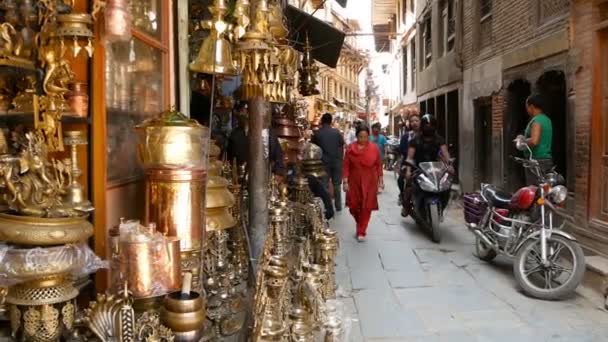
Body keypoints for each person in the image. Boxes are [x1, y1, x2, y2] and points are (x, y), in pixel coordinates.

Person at [402, 114, 452, 217]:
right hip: (418, 168)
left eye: (431, 125)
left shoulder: (439, 139)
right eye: (426, 125)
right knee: (409, 185)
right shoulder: (415, 140)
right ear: (422, 126)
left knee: (446, 188)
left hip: (436, 169)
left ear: (434, 126)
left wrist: (450, 166)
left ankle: (440, 209)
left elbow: (446, 154)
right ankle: (406, 205)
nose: (428, 128)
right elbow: (410, 158)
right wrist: (408, 170)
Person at [343, 125, 383, 241]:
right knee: (353, 206)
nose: (363, 139)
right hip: (354, 180)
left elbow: (378, 165)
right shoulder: (350, 148)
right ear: (357, 136)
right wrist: (345, 181)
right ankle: (359, 222)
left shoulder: (374, 148)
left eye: (365, 137)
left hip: (370, 180)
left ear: (368, 136)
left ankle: (362, 231)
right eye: (360, 136)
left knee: (367, 206)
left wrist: (380, 181)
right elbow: (346, 165)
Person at [312, 113, 345, 211]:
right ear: (331, 121)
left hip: (323, 163)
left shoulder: (317, 133)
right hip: (336, 161)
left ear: (322, 121)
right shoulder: (337, 132)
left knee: (325, 184)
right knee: (337, 184)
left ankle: (328, 206)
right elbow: (341, 146)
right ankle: (338, 206)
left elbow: (313, 149)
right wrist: (340, 159)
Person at [519, 93, 553, 185]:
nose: (527, 110)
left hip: (536, 161)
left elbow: (534, 141)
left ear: (531, 106)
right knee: (545, 189)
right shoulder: (546, 119)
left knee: (535, 190)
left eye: (527, 107)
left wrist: (521, 141)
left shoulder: (536, 121)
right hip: (546, 159)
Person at [398, 113, 420, 196]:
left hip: (422, 162)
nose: (414, 123)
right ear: (410, 124)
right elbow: (402, 150)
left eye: (416, 121)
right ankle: (402, 194)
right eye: (412, 121)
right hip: (408, 162)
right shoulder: (406, 136)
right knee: (401, 179)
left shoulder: (425, 135)